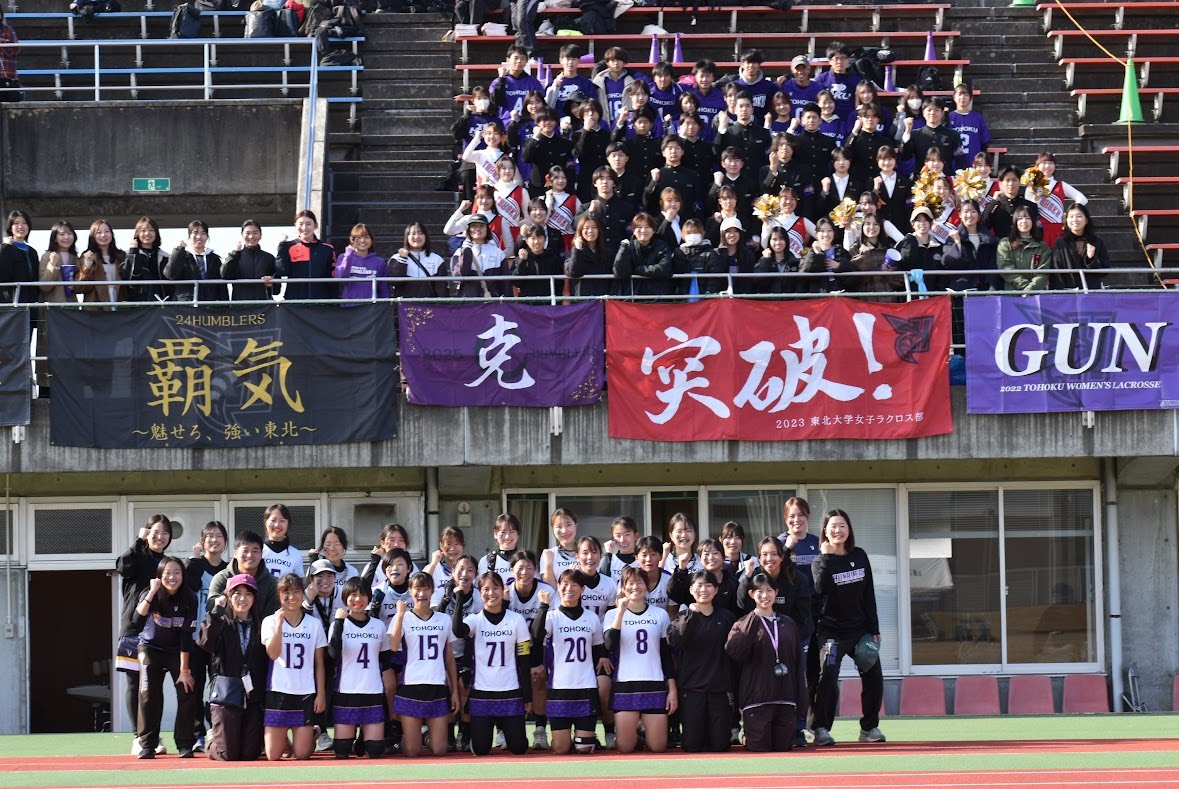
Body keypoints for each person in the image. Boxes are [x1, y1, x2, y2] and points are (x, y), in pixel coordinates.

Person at [811, 509, 884, 746]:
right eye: (833, 526)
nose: (838, 530)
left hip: (860, 631)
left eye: (842, 525)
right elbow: (821, 589)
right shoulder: (819, 561)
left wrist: (874, 628)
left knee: (874, 675)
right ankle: (821, 728)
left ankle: (869, 728)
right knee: (828, 675)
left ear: (849, 529)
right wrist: (827, 557)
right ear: (825, 531)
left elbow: (868, 593)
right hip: (831, 633)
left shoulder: (859, 555)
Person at [725, 572, 808, 752]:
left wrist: (801, 700)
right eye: (759, 591)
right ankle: (747, 735)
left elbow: (797, 664)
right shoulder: (742, 623)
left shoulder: (788, 623)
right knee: (758, 749)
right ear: (751, 594)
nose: (765, 595)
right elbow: (734, 653)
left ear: (776, 592)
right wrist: (753, 618)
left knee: (784, 748)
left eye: (769, 590)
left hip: (785, 699)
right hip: (756, 700)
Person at [452, 572, 533, 755]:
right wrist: (459, 597)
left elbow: (524, 659)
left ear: (503, 590)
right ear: (479, 592)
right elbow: (457, 631)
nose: (491, 593)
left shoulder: (516, 620)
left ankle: (506, 732)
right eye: (486, 589)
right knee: (481, 749)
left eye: (495, 588)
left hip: (510, 691)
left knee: (519, 748)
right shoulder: (475, 620)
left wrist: (527, 697)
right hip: (482, 692)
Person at [532, 570, 607, 755]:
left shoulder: (591, 617)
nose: (569, 589)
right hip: (560, 688)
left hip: (586, 687)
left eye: (575, 585)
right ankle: (569, 737)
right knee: (560, 749)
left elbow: (597, 649)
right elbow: (537, 635)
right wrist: (543, 606)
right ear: (558, 587)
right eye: (565, 584)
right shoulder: (552, 616)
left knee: (584, 748)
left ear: (582, 589)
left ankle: (585, 737)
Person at [604, 566, 677, 754]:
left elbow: (666, 655)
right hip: (625, 685)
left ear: (647, 586)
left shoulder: (659, 614)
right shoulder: (612, 615)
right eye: (630, 583)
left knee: (658, 747)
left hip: (654, 683)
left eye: (640, 582)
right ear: (623, 587)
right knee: (625, 748)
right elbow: (610, 645)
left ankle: (645, 731)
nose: (635, 587)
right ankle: (636, 731)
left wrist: (672, 690)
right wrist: (620, 612)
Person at [134, 555, 200, 759]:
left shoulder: (190, 597)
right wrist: (152, 592)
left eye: (177, 572)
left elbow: (186, 636)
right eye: (167, 573)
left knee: (187, 690)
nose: (172, 577)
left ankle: (185, 744)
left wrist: (184, 671)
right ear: (159, 575)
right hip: (150, 647)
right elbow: (137, 619)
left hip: (176, 650)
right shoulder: (150, 592)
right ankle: (147, 744)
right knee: (148, 694)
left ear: (183, 575)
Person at [388, 572, 461, 758]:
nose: (422, 593)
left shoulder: (443, 619)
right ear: (410, 591)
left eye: (426, 589)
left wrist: (454, 691)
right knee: (412, 751)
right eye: (417, 589)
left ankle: (426, 737)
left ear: (432, 591)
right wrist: (400, 615)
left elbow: (449, 658)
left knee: (440, 750)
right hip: (410, 687)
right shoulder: (402, 618)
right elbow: (394, 647)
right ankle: (407, 739)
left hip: (437, 687)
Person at [117, 514, 172, 756]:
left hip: (157, 630)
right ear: (146, 533)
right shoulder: (137, 555)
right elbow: (122, 566)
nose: (160, 537)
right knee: (134, 682)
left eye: (165, 533)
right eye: (155, 532)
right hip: (133, 627)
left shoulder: (167, 563)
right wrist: (138, 542)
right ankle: (138, 737)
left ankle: (152, 735)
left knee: (152, 685)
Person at [197, 573, 268, 761]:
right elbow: (205, 643)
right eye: (237, 594)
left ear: (254, 598)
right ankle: (213, 740)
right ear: (229, 596)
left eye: (248, 594)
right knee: (227, 754)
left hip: (253, 696)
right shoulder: (219, 622)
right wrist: (217, 610)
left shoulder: (261, 625)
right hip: (226, 694)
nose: (242, 599)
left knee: (251, 753)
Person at [668, 569, 736, 753]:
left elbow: (735, 652)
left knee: (721, 746)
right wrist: (690, 615)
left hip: (720, 689)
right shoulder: (682, 616)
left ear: (716, 590)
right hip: (692, 689)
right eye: (699, 585)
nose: (703, 589)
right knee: (692, 746)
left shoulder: (727, 617)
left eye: (708, 585)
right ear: (691, 589)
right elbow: (675, 642)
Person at [261, 573, 327, 761]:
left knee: (302, 754)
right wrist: (279, 626)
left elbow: (319, 663)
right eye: (286, 593)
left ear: (303, 593)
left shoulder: (314, 624)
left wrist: (321, 694)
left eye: (296, 592)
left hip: (304, 691)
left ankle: (312, 733)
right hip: (278, 691)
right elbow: (273, 654)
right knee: (273, 756)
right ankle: (283, 738)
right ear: (279, 596)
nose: (292, 597)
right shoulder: (270, 621)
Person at [327, 577, 390, 759]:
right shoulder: (338, 624)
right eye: (352, 595)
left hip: (372, 691)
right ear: (345, 598)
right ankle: (357, 738)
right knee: (342, 751)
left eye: (362, 595)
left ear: (369, 597)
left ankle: (363, 737)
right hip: (346, 692)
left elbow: (385, 660)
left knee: (375, 751)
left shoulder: (378, 625)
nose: (358, 599)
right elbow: (332, 654)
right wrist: (339, 622)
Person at [184, 521, 229, 753]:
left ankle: (217, 730)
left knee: (218, 687)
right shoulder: (194, 566)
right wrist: (194, 560)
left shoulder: (230, 570)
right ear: (202, 541)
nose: (214, 540)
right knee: (195, 687)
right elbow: (187, 588)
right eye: (209, 536)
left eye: (219, 536)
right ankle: (197, 735)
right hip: (196, 638)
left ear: (225, 542)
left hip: (220, 639)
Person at [505, 550, 554, 749]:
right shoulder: (506, 592)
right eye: (520, 568)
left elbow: (544, 632)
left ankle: (540, 729)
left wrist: (537, 662)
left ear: (536, 570)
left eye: (529, 567)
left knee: (538, 677)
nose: (524, 572)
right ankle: (503, 729)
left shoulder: (546, 591)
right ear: (511, 570)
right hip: (510, 648)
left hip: (539, 644)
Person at [208, 530, 280, 618]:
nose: (249, 555)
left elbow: (273, 616)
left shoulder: (271, 582)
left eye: (255, 551)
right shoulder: (222, 578)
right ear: (235, 554)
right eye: (245, 551)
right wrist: (226, 593)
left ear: (262, 554)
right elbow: (210, 608)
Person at [1026, 151, 1088, 248]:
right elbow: (1028, 208)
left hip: (1058, 229)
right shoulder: (1031, 186)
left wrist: (1068, 214)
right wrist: (1034, 192)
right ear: (1037, 166)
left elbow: (1082, 199)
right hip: (1039, 229)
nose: (1047, 166)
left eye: (1051, 163)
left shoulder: (1061, 185)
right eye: (1044, 163)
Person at [276, 210, 336, 301]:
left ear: (315, 225)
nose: (304, 228)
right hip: (294, 302)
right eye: (300, 224)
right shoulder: (288, 246)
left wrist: (334, 302)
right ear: (295, 226)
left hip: (321, 302)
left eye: (308, 224)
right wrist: (282, 246)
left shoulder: (327, 248)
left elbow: (332, 277)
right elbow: (282, 271)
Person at [668, 538, 739, 613]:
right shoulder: (694, 580)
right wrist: (681, 569)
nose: (711, 557)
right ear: (700, 559)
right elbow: (673, 593)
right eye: (706, 554)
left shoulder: (731, 582)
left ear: (723, 557)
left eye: (715, 553)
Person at [614, 212, 675, 298]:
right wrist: (623, 248)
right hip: (632, 298)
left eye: (647, 227)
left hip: (657, 297)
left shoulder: (662, 246)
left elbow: (664, 269)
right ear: (633, 230)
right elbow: (619, 273)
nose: (643, 230)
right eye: (639, 227)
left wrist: (638, 269)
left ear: (654, 230)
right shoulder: (628, 246)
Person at [1051, 202, 1109, 290]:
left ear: (1086, 220)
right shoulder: (1060, 243)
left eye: (1079, 216)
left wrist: (1091, 259)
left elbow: (1105, 270)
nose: (1074, 220)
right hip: (1068, 292)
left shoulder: (1096, 241)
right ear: (1066, 220)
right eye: (1071, 216)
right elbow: (1056, 271)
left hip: (1091, 291)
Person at [165, 220, 227, 302]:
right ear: (189, 236)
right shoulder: (182, 256)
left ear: (207, 237)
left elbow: (222, 286)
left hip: (210, 305)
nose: (199, 236)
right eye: (195, 233)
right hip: (186, 305)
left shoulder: (214, 259)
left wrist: (225, 305)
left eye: (203, 233)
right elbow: (170, 274)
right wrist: (179, 250)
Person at [450, 213, 509, 297]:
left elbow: (506, 284)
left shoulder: (498, 253)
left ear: (487, 229)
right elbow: (457, 278)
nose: (477, 229)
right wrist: (466, 254)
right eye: (473, 226)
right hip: (469, 301)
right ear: (468, 230)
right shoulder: (459, 252)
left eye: (481, 226)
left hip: (493, 301)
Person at [998, 205, 1052, 292]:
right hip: (1011, 294)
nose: (1024, 221)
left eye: (1028, 218)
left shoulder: (1042, 246)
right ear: (1015, 222)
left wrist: (1030, 290)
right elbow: (1006, 268)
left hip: (1037, 295)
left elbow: (1043, 273)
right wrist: (1026, 288)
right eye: (1020, 218)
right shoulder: (1005, 243)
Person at [221, 220, 276, 302]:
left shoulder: (269, 258)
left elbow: (277, 290)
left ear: (261, 235)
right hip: (240, 306)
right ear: (242, 235)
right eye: (247, 233)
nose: (251, 236)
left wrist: (271, 283)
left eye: (255, 233)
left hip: (264, 306)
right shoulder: (235, 256)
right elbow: (225, 275)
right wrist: (235, 254)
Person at [388, 222, 447, 298]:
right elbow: (394, 282)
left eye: (420, 233)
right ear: (407, 237)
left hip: (430, 304)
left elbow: (442, 291)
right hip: (405, 304)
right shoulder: (396, 258)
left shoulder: (437, 260)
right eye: (413, 234)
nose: (417, 237)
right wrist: (402, 259)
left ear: (426, 236)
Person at [334, 223, 390, 302]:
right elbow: (340, 278)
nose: (363, 241)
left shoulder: (379, 262)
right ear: (352, 239)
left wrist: (385, 304)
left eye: (366, 237)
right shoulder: (343, 257)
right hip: (349, 305)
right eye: (358, 237)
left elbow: (384, 288)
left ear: (372, 240)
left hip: (371, 306)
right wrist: (349, 254)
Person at [982, 165, 1039, 241]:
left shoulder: (1030, 206)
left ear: (1019, 182)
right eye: (1007, 180)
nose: (1011, 183)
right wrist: (993, 202)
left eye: (1014, 180)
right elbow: (984, 225)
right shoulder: (995, 206)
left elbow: (1036, 231)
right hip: (1001, 246)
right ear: (1001, 183)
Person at [120, 216, 170, 302]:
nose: (147, 233)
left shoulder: (165, 257)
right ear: (137, 233)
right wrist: (133, 252)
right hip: (136, 304)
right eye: (143, 230)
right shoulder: (127, 255)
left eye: (151, 230)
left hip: (162, 304)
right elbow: (128, 277)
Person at [800, 218, 854, 293]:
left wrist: (840, 266)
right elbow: (804, 276)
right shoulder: (810, 254)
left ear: (834, 232)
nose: (826, 234)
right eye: (822, 231)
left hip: (840, 296)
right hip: (819, 297)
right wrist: (817, 253)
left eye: (829, 230)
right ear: (816, 233)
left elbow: (854, 277)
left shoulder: (841, 252)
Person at [313, 526, 360, 612]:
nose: (332, 548)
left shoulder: (352, 572)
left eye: (337, 544)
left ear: (344, 547)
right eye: (328, 544)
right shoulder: (314, 569)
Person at [566, 214, 613, 298]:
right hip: (583, 299)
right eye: (586, 228)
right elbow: (574, 273)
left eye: (594, 227)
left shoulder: (607, 253)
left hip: (603, 299)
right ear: (580, 231)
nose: (590, 231)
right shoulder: (573, 253)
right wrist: (578, 249)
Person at [512, 224, 564, 299]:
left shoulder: (553, 258)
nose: (536, 241)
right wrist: (522, 262)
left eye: (539, 238)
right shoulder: (521, 258)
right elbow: (517, 282)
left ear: (545, 239)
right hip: (527, 302)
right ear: (527, 241)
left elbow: (560, 283)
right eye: (533, 238)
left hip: (549, 301)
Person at [674, 218, 723, 296]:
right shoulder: (679, 253)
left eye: (695, 232)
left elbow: (714, 280)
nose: (692, 235)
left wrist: (707, 296)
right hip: (682, 299)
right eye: (688, 233)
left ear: (702, 233)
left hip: (705, 299)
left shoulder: (711, 254)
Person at [948, 81, 990, 171]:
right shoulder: (948, 117)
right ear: (954, 97)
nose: (962, 97)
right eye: (960, 94)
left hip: (974, 165)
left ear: (970, 98)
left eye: (966, 95)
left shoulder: (977, 117)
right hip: (954, 165)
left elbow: (985, 142)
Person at [814, 41, 860, 121]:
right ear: (830, 61)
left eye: (843, 58)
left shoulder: (856, 80)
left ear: (848, 60)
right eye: (836, 58)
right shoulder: (822, 79)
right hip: (825, 122)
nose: (839, 62)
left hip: (847, 122)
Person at [0, 210, 37, 306]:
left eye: (24, 223)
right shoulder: (5, 248)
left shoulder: (32, 252)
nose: (20, 226)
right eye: (16, 223)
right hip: (12, 303)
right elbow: (3, 275)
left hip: (31, 303)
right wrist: (6, 248)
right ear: (10, 227)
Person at [593, 47, 638, 127]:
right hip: (604, 126)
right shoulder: (599, 82)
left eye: (619, 60)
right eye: (612, 60)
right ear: (607, 63)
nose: (616, 63)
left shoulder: (631, 82)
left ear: (624, 62)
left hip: (626, 126)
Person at [895, 207, 945, 276]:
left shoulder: (939, 246)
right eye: (918, 220)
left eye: (925, 220)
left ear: (931, 223)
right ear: (912, 224)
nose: (922, 223)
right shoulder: (904, 244)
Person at [38, 220, 79, 304]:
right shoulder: (47, 256)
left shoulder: (75, 257)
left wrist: (75, 284)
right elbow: (44, 287)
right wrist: (52, 264)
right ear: (55, 238)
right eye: (62, 234)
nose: (66, 237)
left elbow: (80, 282)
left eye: (69, 233)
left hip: (71, 306)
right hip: (53, 307)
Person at [261, 503, 303, 580]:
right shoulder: (258, 551)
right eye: (273, 520)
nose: (277, 525)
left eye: (282, 521)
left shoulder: (295, 554)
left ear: (288, 524)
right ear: (265, 523)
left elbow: (299, 583)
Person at [478, 513, 522, 586]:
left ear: (518, 534)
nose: (507, 537)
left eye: (512, 532)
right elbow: (481, 588)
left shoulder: (526, 560)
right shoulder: (486, 561)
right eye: (503, 532)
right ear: (495, 534)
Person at [541, 508, 580, 588]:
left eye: (568, 525)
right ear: (553, 530)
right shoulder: (549, 554)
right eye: (559, 526)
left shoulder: (586, 552)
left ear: (575, 525)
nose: (564, 531)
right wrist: (548, 564)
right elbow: (549, 589)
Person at [425, 525, 466, 594]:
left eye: (456, 544)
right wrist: (433, 564)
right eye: (448, 544)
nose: (452, 548)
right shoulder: (433, 568)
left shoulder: (469, 569)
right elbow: (422, 584)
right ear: (441, 546)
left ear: (463, 546)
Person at [602, 515, 640, 586]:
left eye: (627, 534)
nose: (622, 540)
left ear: (636, 535)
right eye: (618, 536)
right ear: (613, 538)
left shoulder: (644, 560)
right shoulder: (610, 561)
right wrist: (608, 555)